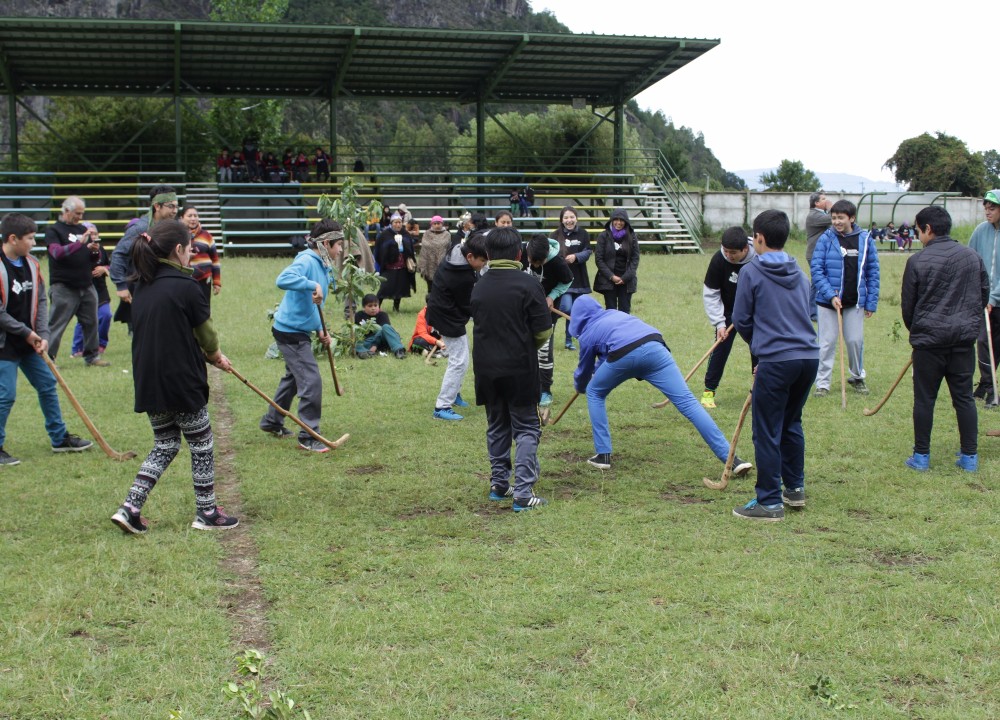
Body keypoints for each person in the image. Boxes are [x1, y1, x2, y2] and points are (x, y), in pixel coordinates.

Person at [109, 220, 236, 534]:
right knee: (202, 443)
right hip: (180, 380)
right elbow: (206, 334)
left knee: (165, 443)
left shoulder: (141, 285)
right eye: (190, 248)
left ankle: (129, 509)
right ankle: (207, 512)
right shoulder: (187, 287)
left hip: (149, 379)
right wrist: (216, 356)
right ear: (178, 250)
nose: (193, 253)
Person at [570, 295, 752, 475]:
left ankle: (603, 456)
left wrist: (580, 386)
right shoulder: (614, 314)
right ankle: (733, 460)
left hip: (624, 355)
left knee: (595, 392)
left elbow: (584, 371)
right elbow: (606, 354)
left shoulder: (587, 334)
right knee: (689, 403)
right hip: (655, 347)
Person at [731, 210, 819, 521]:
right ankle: (794, 489)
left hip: (778, 359)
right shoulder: (801, 273)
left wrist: (763, 349)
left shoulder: (750, 273)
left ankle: (769, 501)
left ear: (760, 239)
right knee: (791, 422)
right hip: (809, 357)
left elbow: (741, 320)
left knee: (767, 429)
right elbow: (809, 313)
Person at [0, 213, 93, 467]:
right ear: (12, 238)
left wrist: (42, 334)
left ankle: (59, 438)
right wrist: (26, 332)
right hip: (4, 344)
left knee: (47, 384)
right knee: (5, 395)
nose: (33, 243)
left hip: (29, 341)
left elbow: (41, 301)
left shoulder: (32, 264)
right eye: (29, 239)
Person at [901, 206, 989, 473]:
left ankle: (921, 457)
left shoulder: (917, 261)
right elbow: (983, 295)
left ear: (928, 229)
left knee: (924, 399)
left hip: (929, 343)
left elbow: (908, 306)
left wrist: (916, 332)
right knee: (964, 398)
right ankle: (969, 457)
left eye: (918, 231)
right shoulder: (972, 256)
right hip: (962, 341)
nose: (918, 236)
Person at [471, 227, 551, 511]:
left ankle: (499, 484)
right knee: (528, 427)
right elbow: (543, 331)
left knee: (497, 425)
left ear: (488, 254)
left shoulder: (479, 285)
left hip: (486, 370)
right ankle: (523, 493)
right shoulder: (528, 284)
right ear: (519, 254)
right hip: (519, 369)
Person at [259, 220, 343, 452]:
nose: (341, 250)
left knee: (295, 378)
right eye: (339, 245)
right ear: (326, 243)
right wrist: (310, 283)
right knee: (311, 380)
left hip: (299, 329)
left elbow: (312, 303)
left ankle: (272, 421)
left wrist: (319, 328)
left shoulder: (323, 263)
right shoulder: (306, 260)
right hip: (291, 332)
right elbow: (282, 280)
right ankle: (308, 436)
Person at [810, 199, 880, 397]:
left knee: (855, 340)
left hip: (854, 302)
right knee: (826, 342)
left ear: (852, 218)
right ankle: (822, 383)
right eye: (833, 218)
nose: (836, 221)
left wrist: (871, 302)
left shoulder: (865, 239)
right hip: (827, 302)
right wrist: (830, 295)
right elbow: (816, 269)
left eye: (840, 218)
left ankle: (857, 376)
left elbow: (872, 271)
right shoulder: (826, 238)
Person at [427, 232, 489, 421]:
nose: (484, 264)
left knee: (459, 358)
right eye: (483, 261)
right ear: (470, 256)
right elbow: (468, 305)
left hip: (444, 312)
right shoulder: (461, 276)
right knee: (460, 361)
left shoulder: (457, 253)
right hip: (447, 318)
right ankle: (442, 406)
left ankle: (454, 395)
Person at [43, 196, 109, 366]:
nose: (80, 217)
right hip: (64, 286)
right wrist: (79, 243)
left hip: (86, 285)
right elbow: (56, 253)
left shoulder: (81, 229)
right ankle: (48, 359)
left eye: (82, 213)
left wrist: (94, 251)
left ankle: (92, 356)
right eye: (77, 213)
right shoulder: (54, 231)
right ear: (66, 211)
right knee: (57, 324)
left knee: (91, 321)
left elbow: (93, 258)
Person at [700, 227, 758, 408]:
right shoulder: (719, 259)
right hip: (727, 313)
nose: (729, 255)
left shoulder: (758, 260)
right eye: (726, 251)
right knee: (720, 347)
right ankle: (709, 391)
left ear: (745, 249)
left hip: (754, 313)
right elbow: (711, 293)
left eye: (733, 253)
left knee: (759, 349)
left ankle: (759, 389)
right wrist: (719, 323)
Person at [110, 184, 180, 328]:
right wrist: (121, 285)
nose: (175, 211)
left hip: (165, 285)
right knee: (146, 329)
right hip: (143, 286)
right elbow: (119, 254)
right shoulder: (140, 228)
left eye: (176, 206)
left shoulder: (172, 226)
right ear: (157, 206)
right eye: (170, 206)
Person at [523, 234, 573, 407]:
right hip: (523, 309)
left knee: (543, 350)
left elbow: (567, 280)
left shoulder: (558, 263)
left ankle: (545, 390)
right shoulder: (521, 252)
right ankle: (527, 385)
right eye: (533, 261)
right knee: (524, 347)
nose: (536, 266)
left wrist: (552, 296)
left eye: (540, 263)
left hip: (546, 311)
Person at [968, 189, 1000, 407]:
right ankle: (988, 386)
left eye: (993, 208)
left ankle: (992, 387)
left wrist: (994, 297)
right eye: (986, 208)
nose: (988, 212)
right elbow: (971, 260)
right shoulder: (980, 231)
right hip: (984, 301)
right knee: (983, 342)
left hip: (995, 300)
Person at [550, 206, 592, 350]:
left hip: (579, 278)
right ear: (561, 220)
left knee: (576, 311)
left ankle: (569, 341)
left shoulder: (583, 234)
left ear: (576, 218)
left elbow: (588, 251)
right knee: (566, 308)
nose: (569, 220)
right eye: (566, 218)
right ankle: (548, 328)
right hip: (563, 280)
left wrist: (576, 257)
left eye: (572, 217)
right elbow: (550, 255)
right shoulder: (554, 235)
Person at [70, 222, 111, 358]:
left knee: (106, 315)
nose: (93, 236)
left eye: (95, 233)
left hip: (100, 289)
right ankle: (77, 349)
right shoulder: (78, 250)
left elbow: (109, 265)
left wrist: (104, 269)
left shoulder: (101, 249)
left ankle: (101, 345)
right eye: (90, 234)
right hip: (84, 288)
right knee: (84, 320)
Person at [593, 208, 639, 313]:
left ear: (626, 222)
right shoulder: (603, 236)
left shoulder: (632, 236)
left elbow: (635, 259)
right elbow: (599, 259)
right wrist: (611, 276)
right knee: (611, 311)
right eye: (616, 219)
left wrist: (625, 277)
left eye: (621, 220)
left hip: (626, 280)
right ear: (611, 220)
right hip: (608, 280)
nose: (618, 222)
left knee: (625, 311)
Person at [181, 205, 221, 306]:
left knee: (204, 311)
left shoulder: (207, 235)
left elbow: (215, 260)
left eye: (195, 215)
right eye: (189, 216)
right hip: (183, 280)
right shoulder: (177, 235)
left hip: (204, 280)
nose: (193, 219)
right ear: (182, 218)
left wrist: (216, 282)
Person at [374, 213, 415, 312]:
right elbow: (380, 249)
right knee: (384, 288)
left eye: (400, 222)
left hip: (402, 266)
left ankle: (396, 308)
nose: (398, 225)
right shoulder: (384, 234)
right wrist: (394, 244)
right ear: (391, 223)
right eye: (396, 222)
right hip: (389, 266)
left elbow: (410, 246)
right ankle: (376, 307)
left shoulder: (405, 234)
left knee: (400, 287)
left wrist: (402, 244)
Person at [805, 191, 832, 321]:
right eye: (823, 199)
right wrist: (831, 207)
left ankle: (820, 309)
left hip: (821, 254)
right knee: (816, 282)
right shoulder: (814, 215)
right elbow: (833, 218)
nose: (826, 201)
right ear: (816, 203)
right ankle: (812, 312)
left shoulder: (819, 214)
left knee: (821, 281)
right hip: (814, 254)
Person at [354, 294, 407, 359]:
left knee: (386, 327)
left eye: (375, 305)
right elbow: (358, 333)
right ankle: (364, 353)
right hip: (369, 341)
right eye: (370, 306)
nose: (373, 308)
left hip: (383, 340)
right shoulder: (358, 315)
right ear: (364, 307)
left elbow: (382, 331)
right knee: (357, 342)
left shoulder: (382, 315)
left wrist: (375, 345)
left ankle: (399, 351)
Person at [416, 215, 451, 293]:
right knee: (430, 287)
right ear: (431, 224)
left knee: (442, 287)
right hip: (429, 264)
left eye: (438, 223)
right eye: (434, 224)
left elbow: (448, 249)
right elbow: (424, 249)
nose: (436, 225)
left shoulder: (447, 235)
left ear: (442, 224)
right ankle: (430, 303)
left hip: (442, 264)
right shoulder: (426, 234)